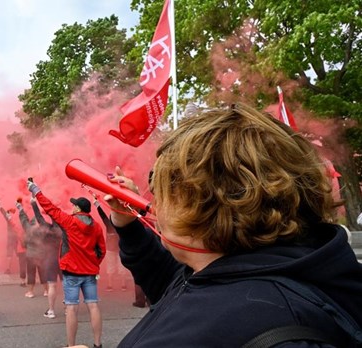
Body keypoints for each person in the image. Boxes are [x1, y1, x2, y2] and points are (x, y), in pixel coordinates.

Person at [106, 104, 362, 347]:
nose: (155, 200)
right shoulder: (245, 267)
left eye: (161, 189)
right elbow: (171, 282)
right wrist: (129, 226)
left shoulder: (278, 324)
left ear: (201, 203)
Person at [27, 183, 106, 348]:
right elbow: (102, 250)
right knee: (93, 306)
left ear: (77, 209)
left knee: (71, 309)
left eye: (74, 205)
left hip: (71, 273)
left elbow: (50, 209)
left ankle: (71, 346)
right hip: (90, 273)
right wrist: (93, 264)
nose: (73, 207)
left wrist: (35, 190)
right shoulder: (97, 227)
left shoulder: (69, 222)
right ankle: (98, 345)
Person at [30, 196, 63, 319]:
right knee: (66, 285)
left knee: (52, 285)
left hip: (51, 259)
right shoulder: (63, 228)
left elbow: (39, 218)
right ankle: (67, 308)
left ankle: (52, 310)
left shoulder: (47, 229)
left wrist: (33, 203)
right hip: (63, 257)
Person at [16, 200, 47, 298]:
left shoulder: (28, 229)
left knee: (31, 274)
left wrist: (20, 209)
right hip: (42, 254)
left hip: (30, 255)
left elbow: (24, 220)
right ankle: (46, 291)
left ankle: (30, 292)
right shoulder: (44, 230)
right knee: (43, 273)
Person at [0, 200, 26, 286]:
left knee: (10, 254)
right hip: (17, 238)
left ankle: (9, 269)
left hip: (11, 238)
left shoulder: (10, 219)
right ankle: (17, 268)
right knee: (18, 254)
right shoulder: (18, 219)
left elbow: (4, 213)